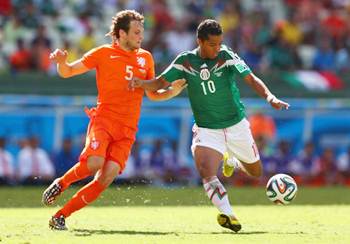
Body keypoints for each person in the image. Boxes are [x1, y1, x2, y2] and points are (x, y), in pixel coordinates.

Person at [129, 19, 289, 232]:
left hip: (236, 125)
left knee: (255, 172)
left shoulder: (227, 56)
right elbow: (160, 82)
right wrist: (141, 83)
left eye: (219, 43)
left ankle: (230, 158)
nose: (217, 48)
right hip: (207, 128)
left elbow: (251, 79)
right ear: (200, 41)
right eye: (212, 44)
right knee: (206, 171)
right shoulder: (185, 61)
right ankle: (228, 214)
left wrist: (270, 97)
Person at [42, 10, 184, 230]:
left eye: (141, 32)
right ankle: (61, 182)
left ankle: (60, 216)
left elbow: (153, 94)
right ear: (122, 33)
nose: (141, 36)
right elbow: (68, 71)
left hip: (128, 129)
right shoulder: (103, 53)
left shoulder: (145, 57)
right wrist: (61, 62)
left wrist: (172, 92)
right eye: (136, 32)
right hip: (104, 121)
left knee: (106, 177)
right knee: (94, 164)